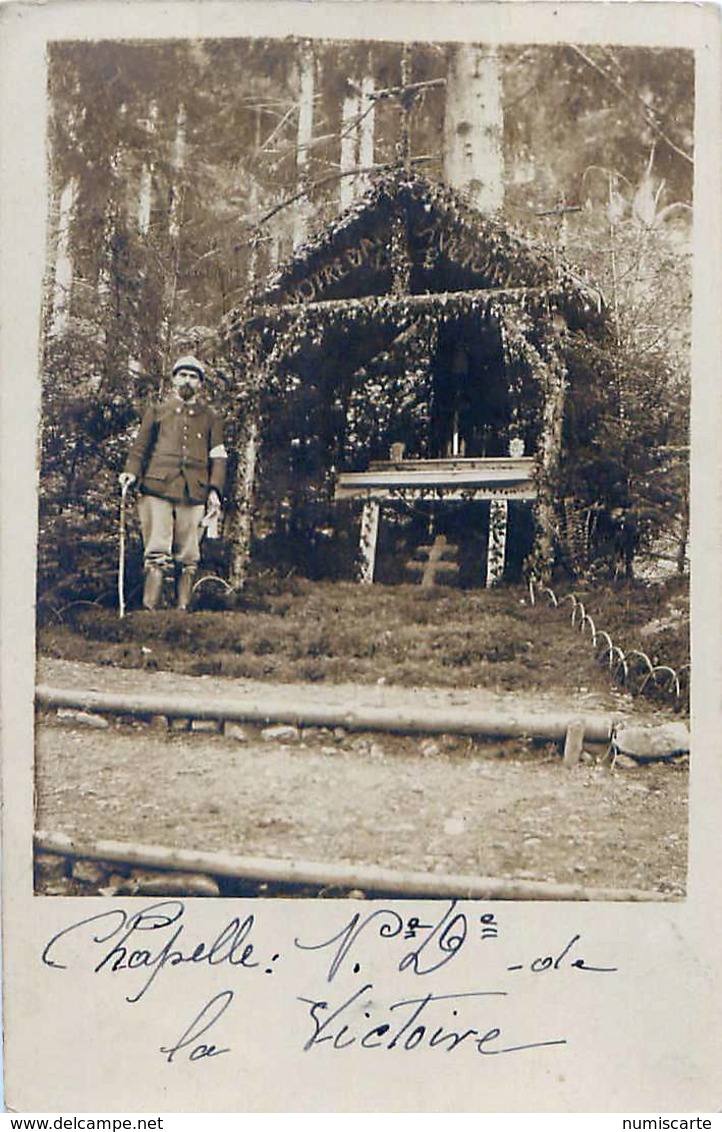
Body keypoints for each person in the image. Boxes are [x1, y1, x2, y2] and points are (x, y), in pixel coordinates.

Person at [118, 355, 228, 611]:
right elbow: (140, 448)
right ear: (174, 379)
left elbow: (219, 456)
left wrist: (214, 490)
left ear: (200, 384)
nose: (187, 380)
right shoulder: (157, 412)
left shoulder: (211, 417)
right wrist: (131, 473)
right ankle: (149, 613)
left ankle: (180, 615)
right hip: (157, 488)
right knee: (156, 552)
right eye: (183, 375)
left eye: (193, 376)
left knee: (189, 556)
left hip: (194, 492)